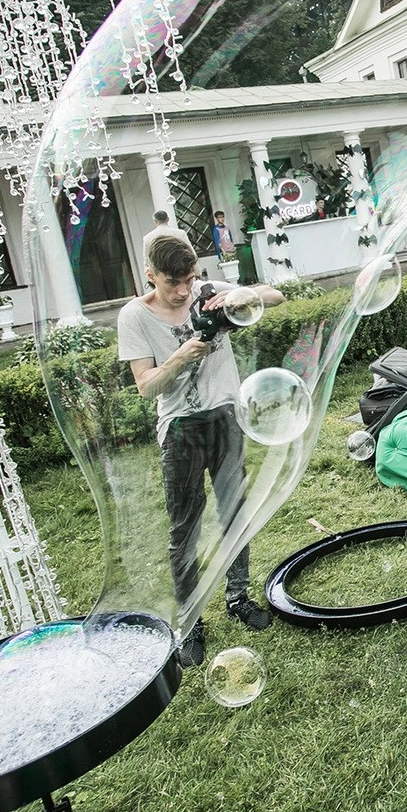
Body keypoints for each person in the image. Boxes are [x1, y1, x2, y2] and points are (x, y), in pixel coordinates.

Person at [118, 235, 286, 667]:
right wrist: (179, 358)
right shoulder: (134, 316)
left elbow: (275, 296)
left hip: (226, 418)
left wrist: (236, 295)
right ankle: (191, 623)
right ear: (151, 275)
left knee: (234, 513)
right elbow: (145, 387)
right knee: (185, 529)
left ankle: (238, 599)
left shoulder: (208, 293)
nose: (183, 291)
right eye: (172, 283)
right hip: (179, 429)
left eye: (189, 280)